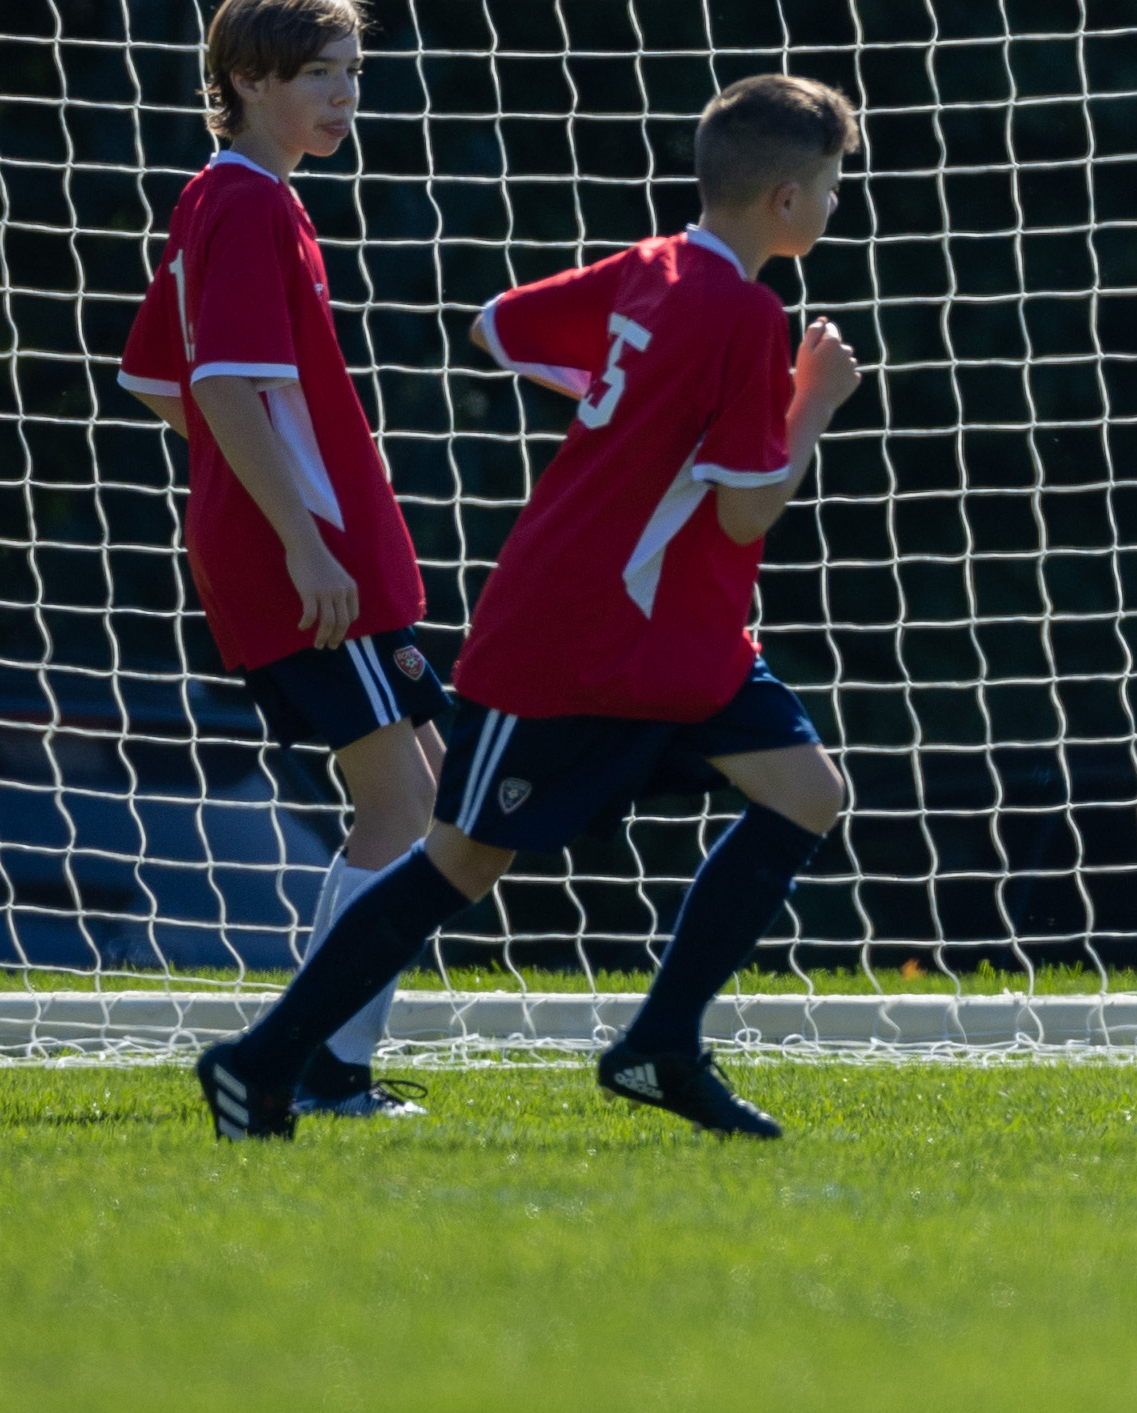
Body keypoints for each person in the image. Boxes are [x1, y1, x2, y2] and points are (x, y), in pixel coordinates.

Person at [196, 73, 866, 1141]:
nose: (835, 204)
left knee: (807, 793)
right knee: (459, 861)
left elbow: (498, 325)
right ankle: (261, 1062)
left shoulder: (655, 266)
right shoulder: (747, 313)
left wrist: (636, 406)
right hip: (578, 634)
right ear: (786, 199)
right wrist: (812, 401)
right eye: (832, 185)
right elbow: (747, 512)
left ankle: (661, 1046)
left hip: (678, 634)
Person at [117, 0, 439, 1119]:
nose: (343, 95)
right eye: (317, 75)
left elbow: (153, 375)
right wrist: (298, 535)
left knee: (416, 791)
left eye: (352, 72)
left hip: (300, 539)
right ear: (247, 81)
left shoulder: (225, 198)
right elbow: (214, 385)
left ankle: (311, 1055)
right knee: (403, 803)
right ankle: (311, 1063)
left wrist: (241, 482)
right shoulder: (246, 203)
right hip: (307, 553)